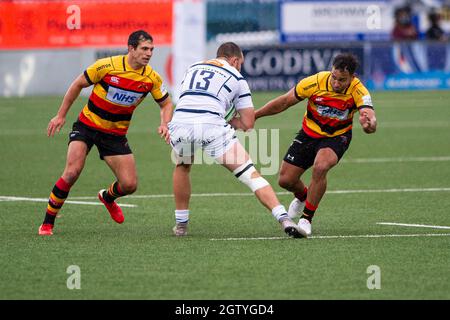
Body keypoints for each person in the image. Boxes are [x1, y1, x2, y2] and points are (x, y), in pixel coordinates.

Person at [38, 30, 173, 235]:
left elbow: (166, 103)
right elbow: (77, 85)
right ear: (131, 48)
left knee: (129, 185)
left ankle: (107, 197)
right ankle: (47, 223)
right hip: (87, 126)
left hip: (115, 135)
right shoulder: (107, 66)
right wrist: (60, 115)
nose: (149, 53)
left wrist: (165, 123)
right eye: (144, 49)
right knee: (72, 172)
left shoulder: (151, 78)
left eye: (151, 49)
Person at [168, 42, 302, 238]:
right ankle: (284, 219)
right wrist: (229, 119)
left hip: (180, 124)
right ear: (234, 60)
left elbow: (188, 99)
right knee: (250, 175)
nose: (241, 67)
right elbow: (247, 123)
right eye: (241, 63)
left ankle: (181, 225)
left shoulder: (193, 67)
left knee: (183, 165)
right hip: (211, 126)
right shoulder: (237, 77)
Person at [255, 53, 377, 237]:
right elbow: (285, 101)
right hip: (308, 133)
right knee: (285, 180)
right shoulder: (315, 82)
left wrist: (370, 124)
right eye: (334, 77)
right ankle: (304, 196)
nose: (336, 83)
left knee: (321, 167)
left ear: (353, 77)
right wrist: (255, 115)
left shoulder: (359, 91)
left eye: (342, 80)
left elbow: (369, 116)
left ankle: (306, 220)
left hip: (337, 136)